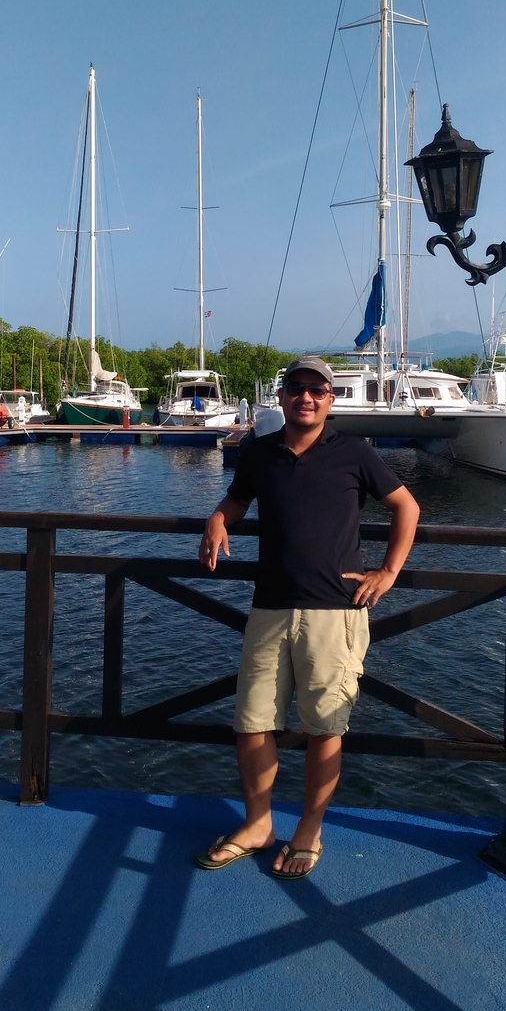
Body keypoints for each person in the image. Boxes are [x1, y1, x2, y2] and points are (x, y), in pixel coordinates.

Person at [195, 356, 420, 879]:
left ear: (330, 399)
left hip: (335, 613)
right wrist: (216, 518)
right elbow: (236, 499)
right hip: (270, 606)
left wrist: (387, 572)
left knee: (324, 728)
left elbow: (406, 507)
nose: (306, 397)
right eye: (297, 388)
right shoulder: (260, 452)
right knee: (252, 724)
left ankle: (308, 831)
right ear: (282, 397)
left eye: (317, 390)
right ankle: (257, 824)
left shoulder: (354, 452)